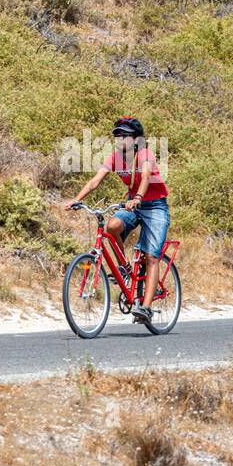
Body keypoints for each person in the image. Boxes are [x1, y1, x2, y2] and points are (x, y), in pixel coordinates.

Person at [65, 117, 170, 323]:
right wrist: (76, 200)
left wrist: (138, 197)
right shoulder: (115, 157)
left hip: (155, 206)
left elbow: (146, 177)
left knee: (151, 257)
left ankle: (146, 308)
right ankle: (124, 268)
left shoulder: (145, 154)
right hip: (132, 203)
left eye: (125, 135)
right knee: (112, 226)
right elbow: (95, 180)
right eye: (118, 135)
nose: (120, 139)